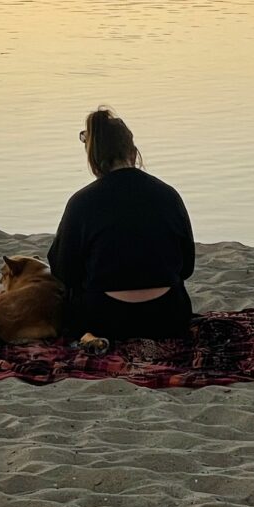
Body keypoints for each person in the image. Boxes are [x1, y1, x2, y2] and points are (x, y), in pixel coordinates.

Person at [48, 107, 194, 343]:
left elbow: (64, 270)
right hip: (168, 317)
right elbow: (187, 267)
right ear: (134, 152)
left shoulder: (81, 202)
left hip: (104, 319)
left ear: (93, 158)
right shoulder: (169, 196)